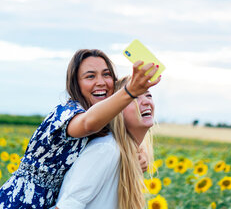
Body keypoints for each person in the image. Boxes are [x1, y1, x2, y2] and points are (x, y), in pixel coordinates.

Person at [0, 49, 160, 208]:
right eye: (90, 76)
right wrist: (130, 91)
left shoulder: (103, 123)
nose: (101, 82)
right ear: (76, 84)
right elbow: (88, 124)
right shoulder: (67, 112)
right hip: (20, 199)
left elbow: (121, 134)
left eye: (106, 74)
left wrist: (137, 152)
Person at [52, 76, 155, 209]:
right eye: (134, 98)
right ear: (116, 109)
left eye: (149, 95)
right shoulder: (106, 149)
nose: (146, 102)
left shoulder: (130, 154)